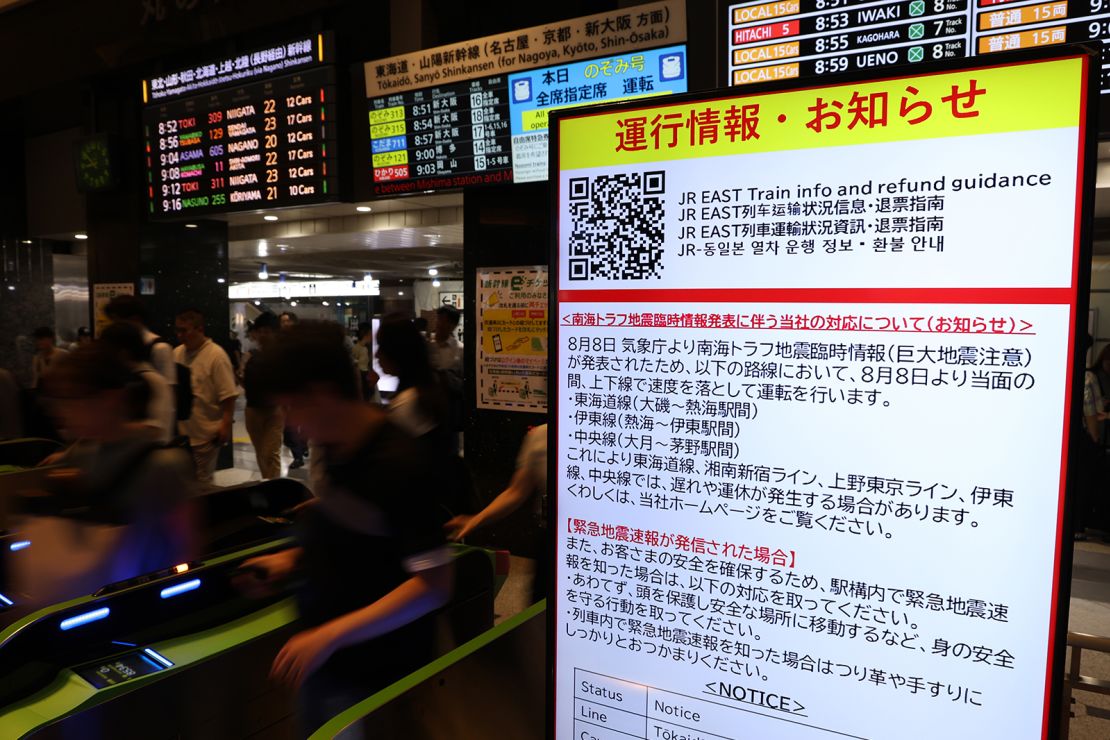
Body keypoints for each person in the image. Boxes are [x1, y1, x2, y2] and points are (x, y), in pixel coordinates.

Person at [235, 322, 452, 736]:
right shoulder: (338, 450)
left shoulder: (398, 464)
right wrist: (291, 560)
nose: (292, 423)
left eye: (292, 407)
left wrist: (331, 635)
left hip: (378, 675)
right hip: (332, 663)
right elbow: (356, 536)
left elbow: (434, 586)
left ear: (323, 395)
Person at [13, 344, 196, 606]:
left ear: (111, 398)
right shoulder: (79, 455)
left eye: (71, 399)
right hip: (91, 602)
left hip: (143, 605)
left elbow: (186, 549)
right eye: (57, 401)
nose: (60, 412)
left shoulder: (164, 464)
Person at [446, 423, 547, 603]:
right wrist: (476, 519)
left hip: (600, 541)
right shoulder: (541, 435)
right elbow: (516, 491)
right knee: (542, 609)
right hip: (551, 540)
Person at [174, 309, 238, 485]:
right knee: (184, 482)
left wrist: (225, 425)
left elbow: (228, 395)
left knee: (201, 482)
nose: (180, 335)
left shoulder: (216, 356)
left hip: (206, 434)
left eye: (185, 330)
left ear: (199, 329)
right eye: (177, 330)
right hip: (182, 433)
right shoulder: (177, 353)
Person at [100, 322, 175, 444]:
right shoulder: (121, 378)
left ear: (123, 352)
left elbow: (158, 430)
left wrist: (110, 428)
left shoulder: (153, 381)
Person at [242, 312, 284, 479]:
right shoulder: (249, 355)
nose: (264, 334)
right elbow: (243, 382)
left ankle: (274, 490)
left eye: (268, 331)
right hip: (253, 409)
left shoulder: (282, 355)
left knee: (270, 453)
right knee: (261, 453)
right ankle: (269, 484)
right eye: (261, 331)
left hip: (275, 410)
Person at [104, 294, 176, 388]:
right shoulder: (118, 346)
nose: (114, 326)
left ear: (135, 319)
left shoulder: (159, 347)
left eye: (117, 321)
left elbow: (169, 388)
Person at [428, 305, 463, 374]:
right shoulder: (427, 344)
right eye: (439, 319)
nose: (440, 324)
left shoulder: (460, 349)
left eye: (446, 321)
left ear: (454, 325)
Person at [351, 322, 374, 402]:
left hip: (364, 376)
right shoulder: (357, 348)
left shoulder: (364, 348)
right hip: (362, 377)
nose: (372, 337)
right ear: (366, 334)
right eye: (371, 334)